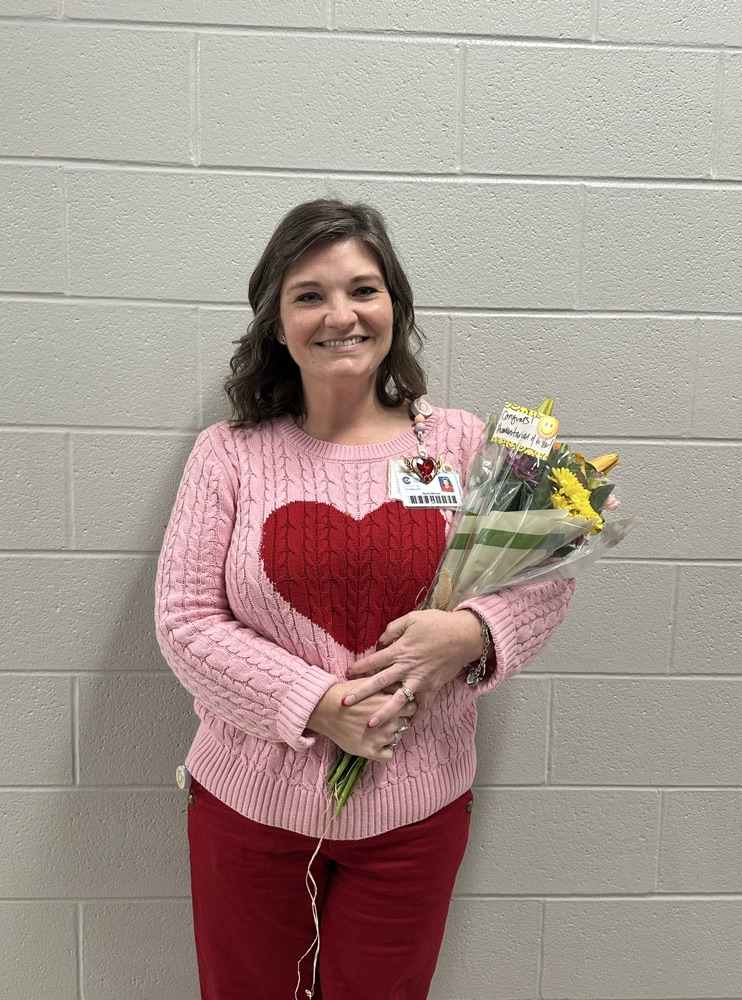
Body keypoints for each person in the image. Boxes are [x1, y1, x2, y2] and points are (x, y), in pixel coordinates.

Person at [155, 199, 575, 1000]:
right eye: (308, 294)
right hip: (249, 811)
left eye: (363, 290)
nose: (340, 314)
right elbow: (184, 621)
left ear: (395, 308)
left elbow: (546, 575)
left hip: (415, 818)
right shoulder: (230, 455)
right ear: (276, 324)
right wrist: (320, 703)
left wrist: (470, 633)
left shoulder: (458, 443)